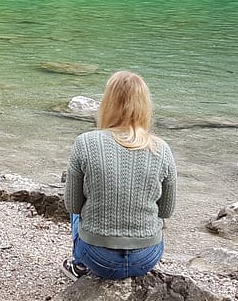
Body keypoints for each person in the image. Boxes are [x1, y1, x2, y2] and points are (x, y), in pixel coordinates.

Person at [62, 70, 177, 280]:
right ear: (145, 106)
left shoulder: (85, 142)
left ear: (107, 102)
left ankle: (79, 266)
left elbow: (72, 205)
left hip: (95, 256)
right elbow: (167, 210)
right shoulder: (162, 149)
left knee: (77, 206)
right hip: (146, 257)